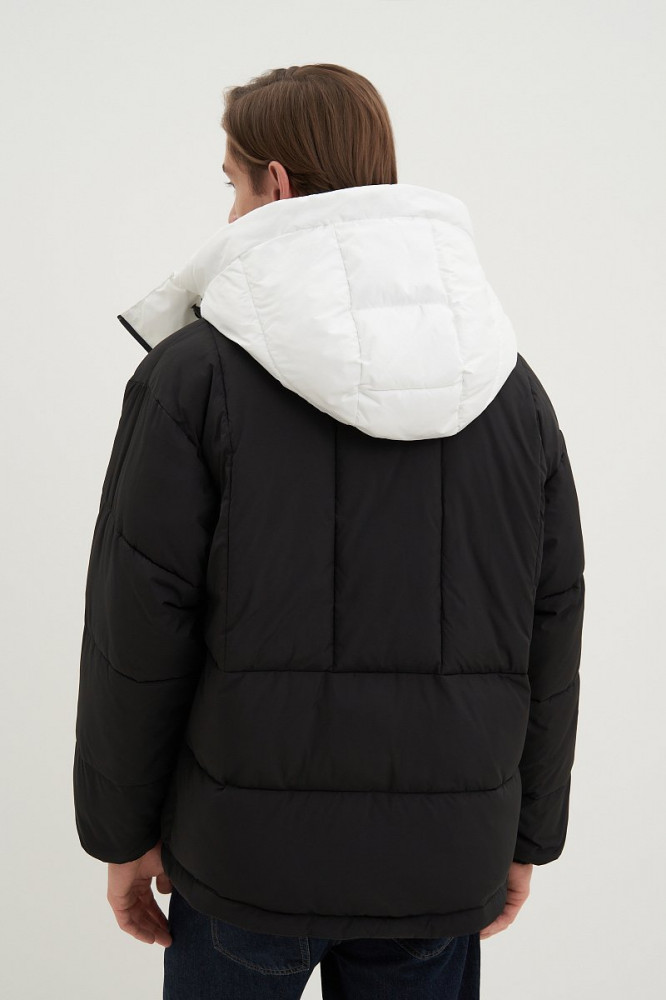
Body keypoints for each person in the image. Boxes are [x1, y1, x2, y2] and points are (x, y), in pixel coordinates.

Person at [73, 64, 585, 1000]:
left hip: (244, 863)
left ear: (275, 183)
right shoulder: (510, 389)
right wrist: (527, 836)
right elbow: (551, 625)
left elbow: (137, 627)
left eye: (232, 184)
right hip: (442, 861)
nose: (230, 213)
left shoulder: (194, 377)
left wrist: (122, 832)